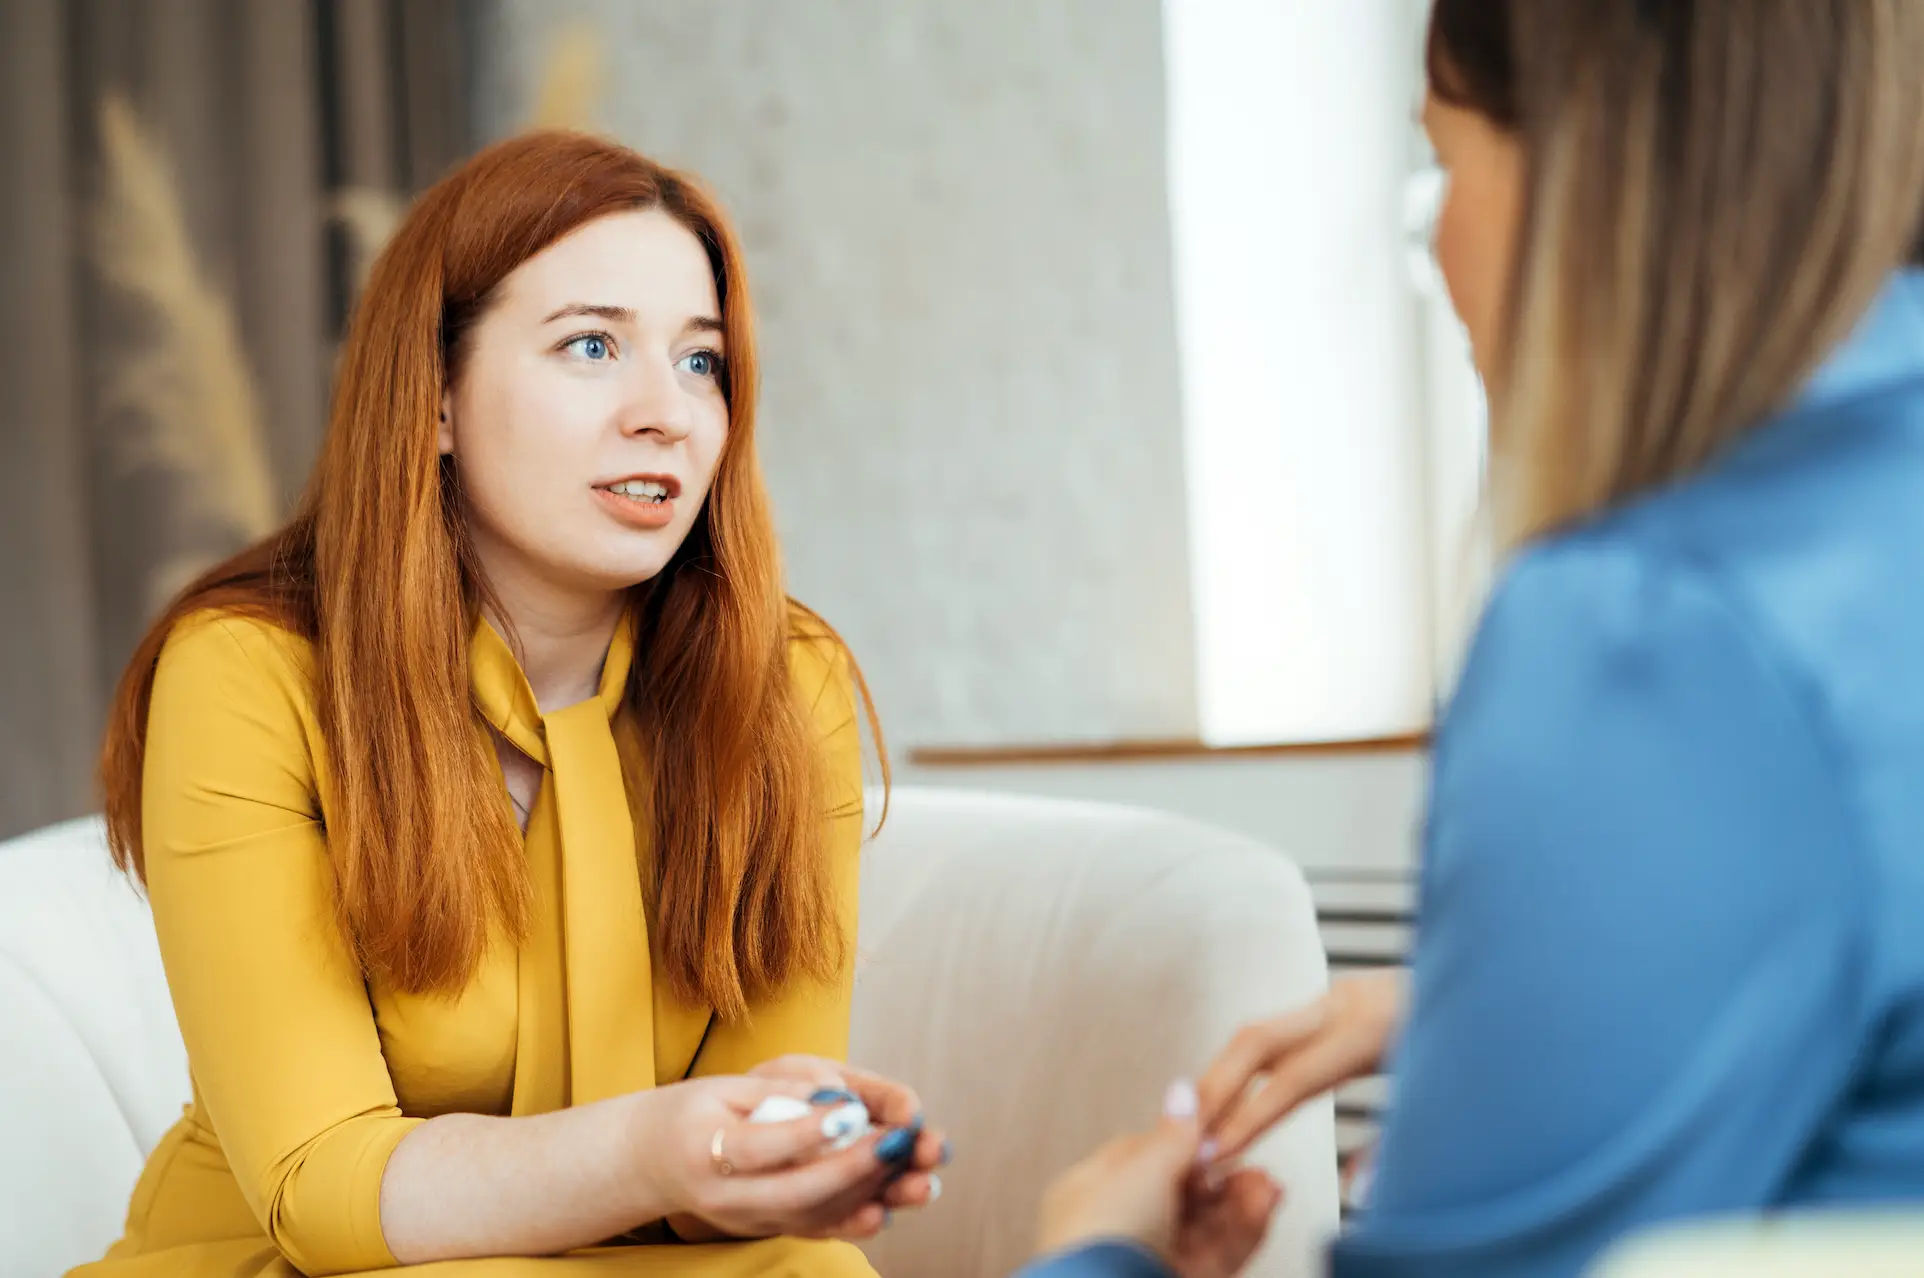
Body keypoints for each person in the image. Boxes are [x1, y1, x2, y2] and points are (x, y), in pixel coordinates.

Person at [1024, 0, 1924, 1274]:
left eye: (1444, 160)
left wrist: (1094, 1258)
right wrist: (1486, 1018)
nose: (1441, 246)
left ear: (1596, 163)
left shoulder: (1653, 631)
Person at [75, 130, 943, 1278]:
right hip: (314, 1262)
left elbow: (718, 1193)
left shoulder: (786, 683)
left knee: (814, 1268)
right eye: (592, 346)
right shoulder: (248, 671)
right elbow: (323, 1191)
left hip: (626, 1257)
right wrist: (654, 1149)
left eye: (701, 362)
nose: (666, 414)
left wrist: (776, 1154)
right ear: (434, 400)